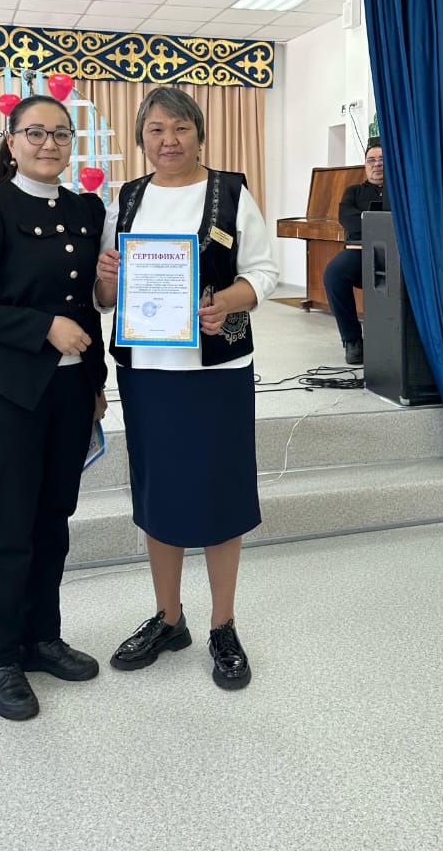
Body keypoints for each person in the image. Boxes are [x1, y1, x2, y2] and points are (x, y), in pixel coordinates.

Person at [94, 86, 278, 691]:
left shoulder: (231, 193)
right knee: (159, 493)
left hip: (217, 372)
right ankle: (169, 618)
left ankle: (223, 624)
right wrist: (107, 278)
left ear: (200, 133)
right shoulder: (125, 199)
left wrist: (226, 301)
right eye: (155, 130)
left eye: (180, 128)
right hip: (147, 371)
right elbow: (104, 297)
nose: (168, 140)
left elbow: (263, 272)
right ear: (141, 139)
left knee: (221, 492)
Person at [0, 94, 106, 721]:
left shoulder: (86, 211)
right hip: (9, 394)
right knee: (10, 526)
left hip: (70, 393)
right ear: (11, 142)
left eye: (61, 134)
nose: (49, 144)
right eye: (35, 132)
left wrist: (94, 383)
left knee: (53, 521)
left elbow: (87, 304)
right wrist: (44, 329)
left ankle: (42, 638)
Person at [322, 139, 387, 366]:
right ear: (365, 165)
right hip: (360, 252)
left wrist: (367, 222)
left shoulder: (400, 191)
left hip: (396, 253)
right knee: (334, 273)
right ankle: (352, 340)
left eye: (382, 160)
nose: (377, 164)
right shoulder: (353, 192)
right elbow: (347, 219)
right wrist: (381, 225)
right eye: (371, 160)